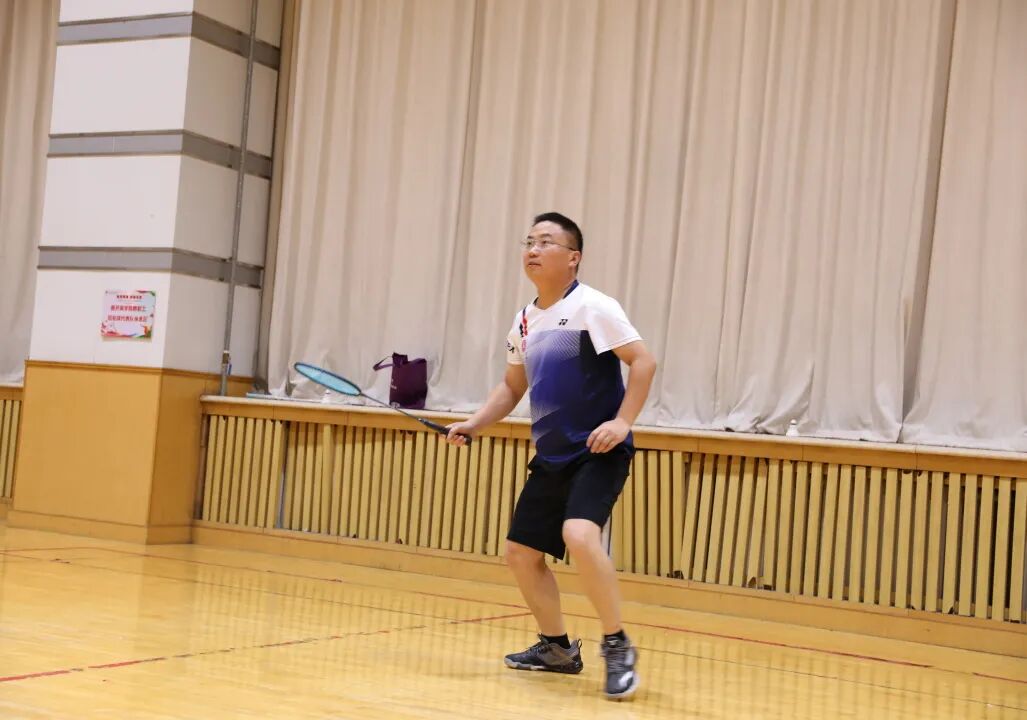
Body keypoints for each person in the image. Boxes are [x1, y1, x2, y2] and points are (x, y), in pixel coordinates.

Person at [445, 212, 657, 700]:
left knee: (579, 534)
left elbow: (643, 361)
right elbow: (512, 386)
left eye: (545, 242)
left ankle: (617, 644)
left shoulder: (593, 307)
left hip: (597, 450)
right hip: (551, 455)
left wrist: (622, 422)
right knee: (521, 554)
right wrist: (475, 423)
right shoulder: (525, 319)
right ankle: (557, 649)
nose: (533, 250)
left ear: (573, 257)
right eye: (529, 242)